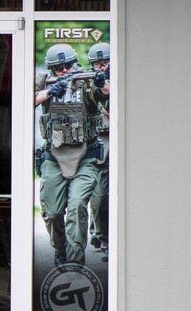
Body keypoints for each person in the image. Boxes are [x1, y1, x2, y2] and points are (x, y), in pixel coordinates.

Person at [34, 43, 107, 266]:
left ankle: (76, 265)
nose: (65, 71)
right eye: (60, 68)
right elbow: (19, 100)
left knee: (76, 207)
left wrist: (101, 82)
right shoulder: (43, 80)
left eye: (68, 66)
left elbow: (107, 93)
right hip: (53, 156)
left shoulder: (85, 80)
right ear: (51, 69)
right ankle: (60, 249)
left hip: (85, 155)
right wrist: (48, 92)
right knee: (53, 213)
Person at [87, 42, 111, 262]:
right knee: (101, 196)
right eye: (98, 64)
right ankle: (103, 239)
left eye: (106, 63)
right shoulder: (90, 83)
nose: (102, 67)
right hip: (102, 142)